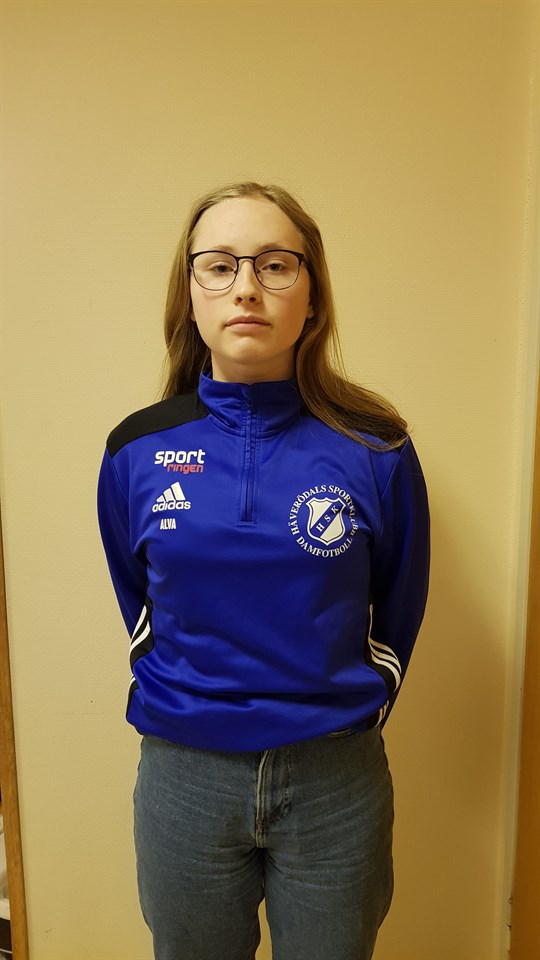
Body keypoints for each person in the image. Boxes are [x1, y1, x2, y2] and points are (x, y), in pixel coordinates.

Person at [97, 181, 430, 960]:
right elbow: (137, 599)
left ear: (313, 298)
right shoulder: (134, 450)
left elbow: (400, 605)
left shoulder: (377, 448)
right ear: (190, 295)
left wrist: (349, 709)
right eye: (219, 265)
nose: (246, 286)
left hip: (334, 780)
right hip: (185, 777)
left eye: (276, 265)